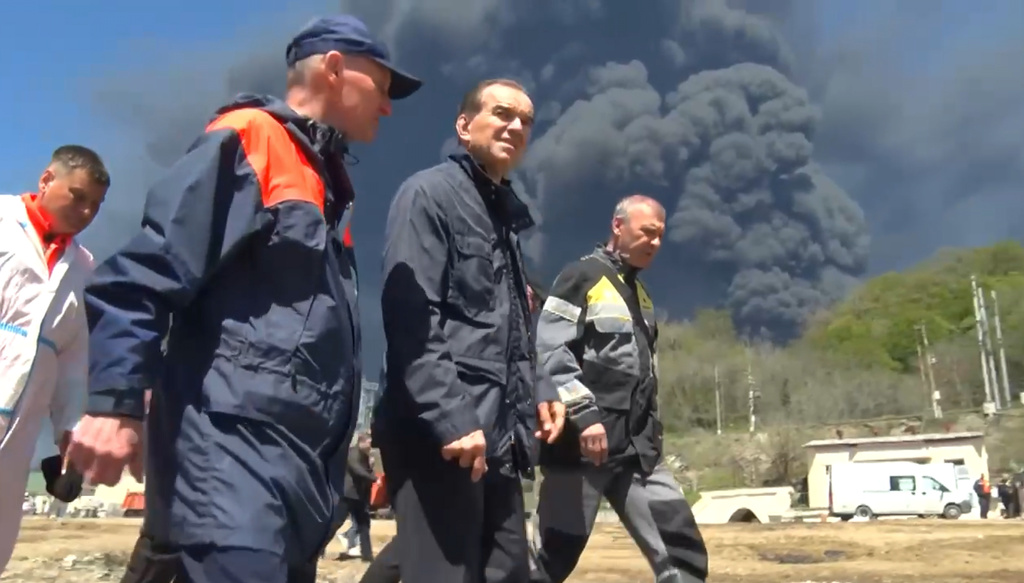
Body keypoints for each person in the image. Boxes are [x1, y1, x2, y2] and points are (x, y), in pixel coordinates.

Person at [65, 14, 421, 583]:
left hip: (293, 479)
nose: (387, 106)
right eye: (380, 85)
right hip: (232, 464)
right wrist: (115, 401)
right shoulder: (251, 139)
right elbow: (140, 276)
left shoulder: (325, 182)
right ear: (334, 69)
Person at [376, 77, 564, 582]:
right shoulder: (428, 195)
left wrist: (541, 386)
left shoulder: (505, 220)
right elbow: (411, 316)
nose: (516, 126)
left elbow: (513, 327)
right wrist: (450, 417)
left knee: (508, 570)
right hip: (441, 434)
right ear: (464, 126)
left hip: (499, 435)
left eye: (526, 120)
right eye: (502, 113)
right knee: (443, 573)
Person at [528, 196, 709, 583]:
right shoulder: (582, 277)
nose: (655, 243)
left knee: (684, 556)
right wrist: (584, 416)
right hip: (582, 449)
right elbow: (550, 348)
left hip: (638, 451)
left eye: (660, 236)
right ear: (618, 226)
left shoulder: (640, 293)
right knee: (547, 562)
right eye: (647, 232)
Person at [359, 275, 550, 583]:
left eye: (535, 304)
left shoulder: (509, 326)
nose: (531, 306)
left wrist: (540, 396)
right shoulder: (451, 310)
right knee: (434, 545)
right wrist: (453, 420)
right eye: (531, 298)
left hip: (490, 442)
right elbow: (415, 360)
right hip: (442, 436)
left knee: (493, 552)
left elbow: (520, 367)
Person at [0, 145, 109, 575]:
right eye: (78, 197)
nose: (86, 212)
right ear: (46, 181)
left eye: (96, 205)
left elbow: (72, 361)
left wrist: (69, 434)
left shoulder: (82, 267)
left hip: (18, 432)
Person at [339, 432, 376, 562]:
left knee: (364, 524)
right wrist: (373, 478)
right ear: (362, 442)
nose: (371, 446)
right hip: (348, 494)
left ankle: (367, 555)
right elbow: (357, 470)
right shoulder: (353, 453)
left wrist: (371, 466)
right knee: (336, 522)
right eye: (370, 443)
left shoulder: (366, 456)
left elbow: (366, 472)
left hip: (359, 495)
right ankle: (318, 549)